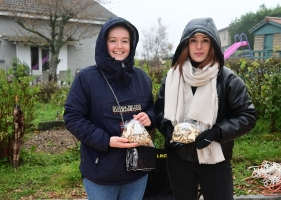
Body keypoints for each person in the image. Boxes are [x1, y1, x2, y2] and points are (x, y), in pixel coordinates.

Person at [155, 17, 257, 200]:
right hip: (178, 158)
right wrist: (167, 128)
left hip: (215, 159)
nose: (199, 46)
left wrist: (216, 133)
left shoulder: (228, 80)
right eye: (193, 40)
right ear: (185, 44)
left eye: (205, 40)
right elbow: (159, 111)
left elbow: (247, 116)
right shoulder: (172, 77)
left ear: (213, 45)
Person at [64, 16, 156, 200]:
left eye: (125, 41)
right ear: (103, 43)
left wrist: (150, 117)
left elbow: (152, 109)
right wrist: (106, 141)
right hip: (101, 170)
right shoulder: (87, 78)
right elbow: (73, 117)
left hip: (138, 168)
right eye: (112, 41)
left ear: (132, 44)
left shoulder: (141, 78)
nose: (119, 46)